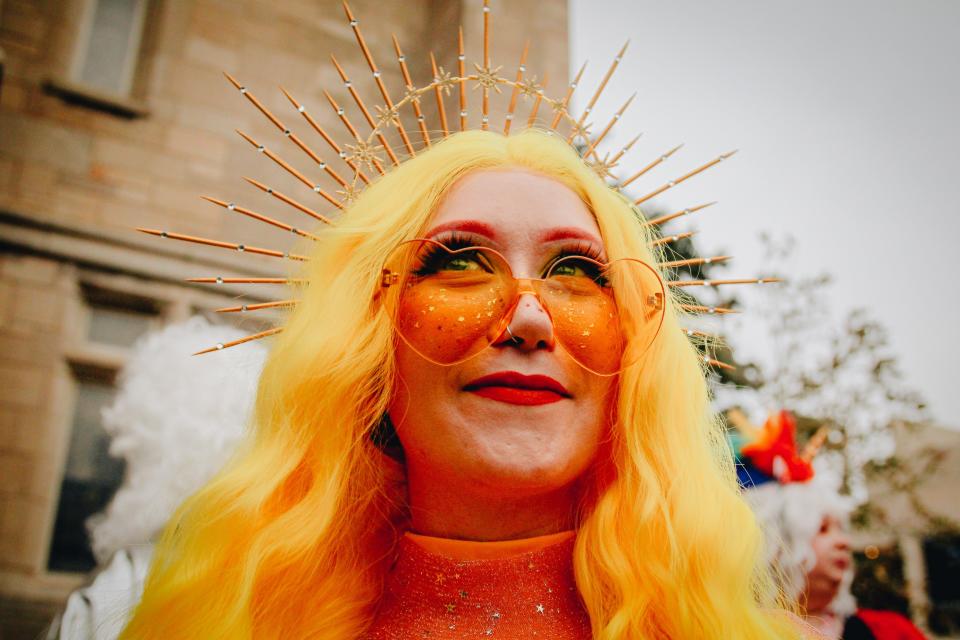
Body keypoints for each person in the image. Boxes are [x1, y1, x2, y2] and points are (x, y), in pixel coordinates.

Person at [735, 411, 927, 640]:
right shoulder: (725, 632)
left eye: (841, 530)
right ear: (773, 545)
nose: (844, 542)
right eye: (823, 529)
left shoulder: (892, 633)